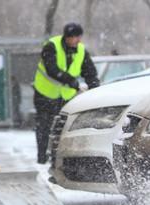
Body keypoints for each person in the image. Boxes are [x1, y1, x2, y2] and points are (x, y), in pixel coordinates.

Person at [33, 23, 100, 164]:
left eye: (80, 37)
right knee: (44, 125)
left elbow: (89, 71)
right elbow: (52, 69)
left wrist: (94, 88)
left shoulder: (81, 50)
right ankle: (42, 156)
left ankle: (58, 158)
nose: (78, 40)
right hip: (45, 93)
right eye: (76, 37)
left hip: (66, 96)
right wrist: (70, 80)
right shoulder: (51, 46)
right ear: (68, 37)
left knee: (63, 127)